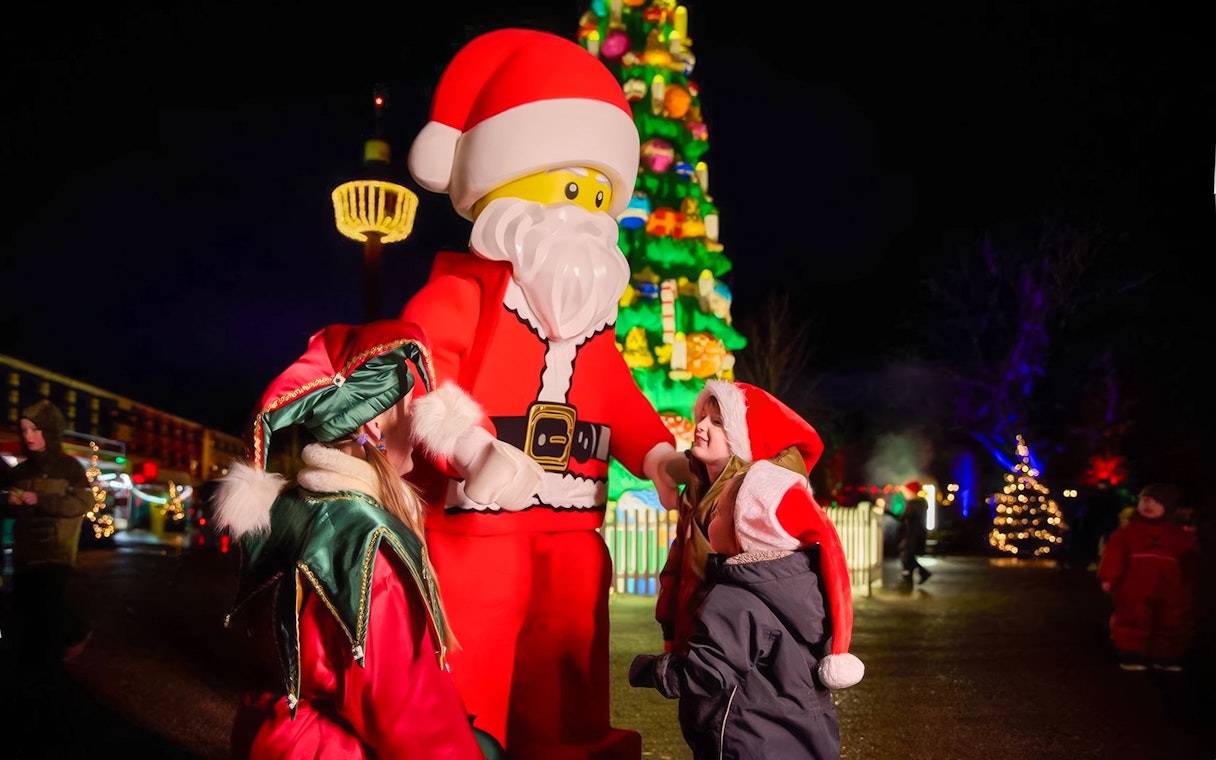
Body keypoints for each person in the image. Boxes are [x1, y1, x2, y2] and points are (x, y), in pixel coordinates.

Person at [399, 27, 681, 758]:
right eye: (568, 187)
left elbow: (617, 403)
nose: (586, 210)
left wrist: (657, 458)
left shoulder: (593, 323)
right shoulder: (462, 291)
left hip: (573, 529)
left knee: (566, 666)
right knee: (472, 664)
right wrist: (467, 448)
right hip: (477, 523)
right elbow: (414, 373)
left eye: (599, 194)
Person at [212, 319, 543, 759]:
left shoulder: (287, 509)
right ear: (380, 424)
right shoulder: (368, 545)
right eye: (412, 406)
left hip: (274, 736)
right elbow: (406, 714)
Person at [629, 379, 864, 759]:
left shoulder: (742, 581)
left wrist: (653, 670)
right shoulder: (699, 491)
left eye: (719, 421)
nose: (701, 426)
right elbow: (677, 567)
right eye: (702, 417)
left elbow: (707, 673)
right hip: (748, 693)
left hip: (737, 701)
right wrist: (671, 629)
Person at [3, 399, 93, 670]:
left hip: (56, 549)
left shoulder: (70, 467)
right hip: (25, 550)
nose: (28, 436)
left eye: (35, 429)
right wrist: (9, 501)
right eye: (24, 430)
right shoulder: (20, 470)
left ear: (50, 431)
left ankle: (67, 643)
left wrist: (40, 499)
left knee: (48, 603)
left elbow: (83, 503)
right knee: (25, 606)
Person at [1096, 482, 1198, 672]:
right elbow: (1114, 555)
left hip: (1169, 585)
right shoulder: (1127, 533)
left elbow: (1189, 558)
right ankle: (1131, 652)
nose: (1148, 506)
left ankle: (1166, 655)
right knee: (1132, 616)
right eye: (1145, 501)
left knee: (1170, 618)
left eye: (1156, 502)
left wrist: (1190, 581)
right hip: (1134, 584)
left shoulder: (1177, 536)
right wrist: (1109, 577)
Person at [898, 481, 931, 584]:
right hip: (915, 534)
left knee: (907, 556)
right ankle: (914, 575)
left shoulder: (914, 504)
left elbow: (904, 518)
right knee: (908, 556)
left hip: (913, 535)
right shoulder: (919, 503)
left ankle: (913, 575)